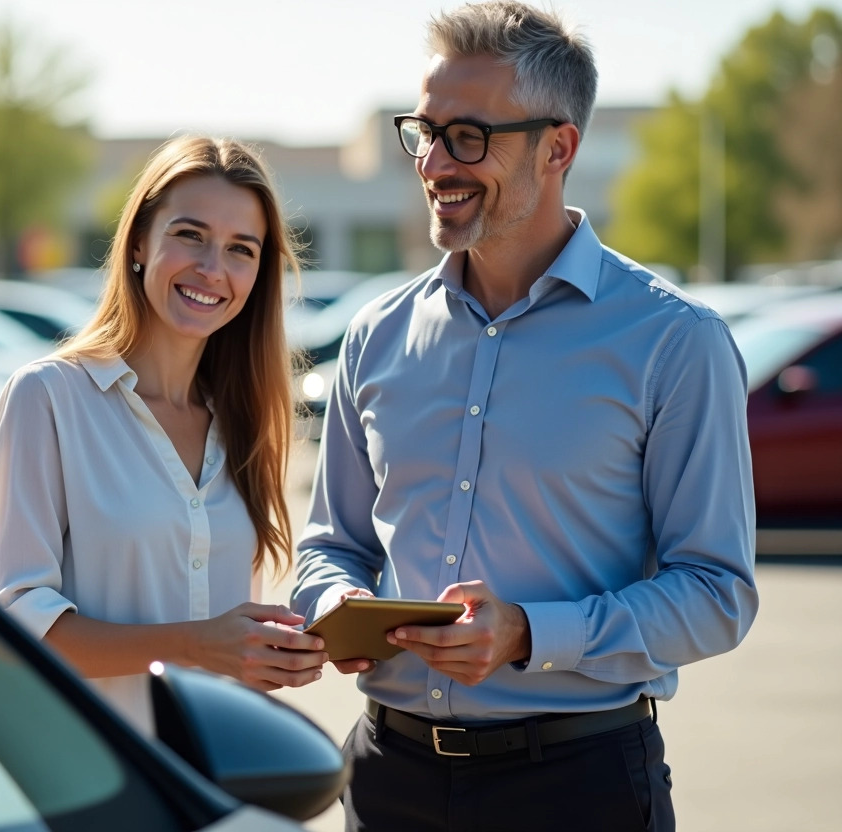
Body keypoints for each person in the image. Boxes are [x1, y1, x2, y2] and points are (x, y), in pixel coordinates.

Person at [290, 3, 759, 830]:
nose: (435, 162)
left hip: (577, 789)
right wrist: (331, 603)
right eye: (425, 131)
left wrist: (530, 634)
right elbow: (335, 543)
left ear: (559, 147)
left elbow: (718, 593)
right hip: (387, 778)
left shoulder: (673, 342)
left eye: (468, 136)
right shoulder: (376, 333)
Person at [0, 135, 327, 735]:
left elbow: (229, 640)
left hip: (216, 776)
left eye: (240, 249)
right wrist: (197, 645)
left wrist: (268, 653)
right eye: (190, 235)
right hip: (97, 780)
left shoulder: (245, 421)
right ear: (140, 241)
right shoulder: (48, 399)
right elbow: (17, 624)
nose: (213, 269)